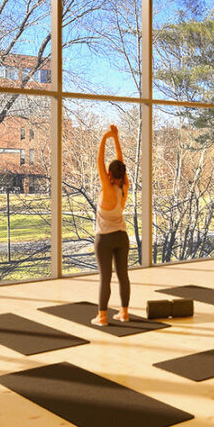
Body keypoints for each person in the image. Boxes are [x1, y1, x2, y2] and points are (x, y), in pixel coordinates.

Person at [93, 124, 132, 326]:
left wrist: (105, 137)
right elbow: (121, 162)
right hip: (122, 237)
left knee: (105, 278)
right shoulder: (124, 187)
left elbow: (99, 160)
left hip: (105, 239)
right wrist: (115, 138)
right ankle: (124, 313)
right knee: (123, 276)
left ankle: (102, 316)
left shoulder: (107, 188)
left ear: (109, 173)